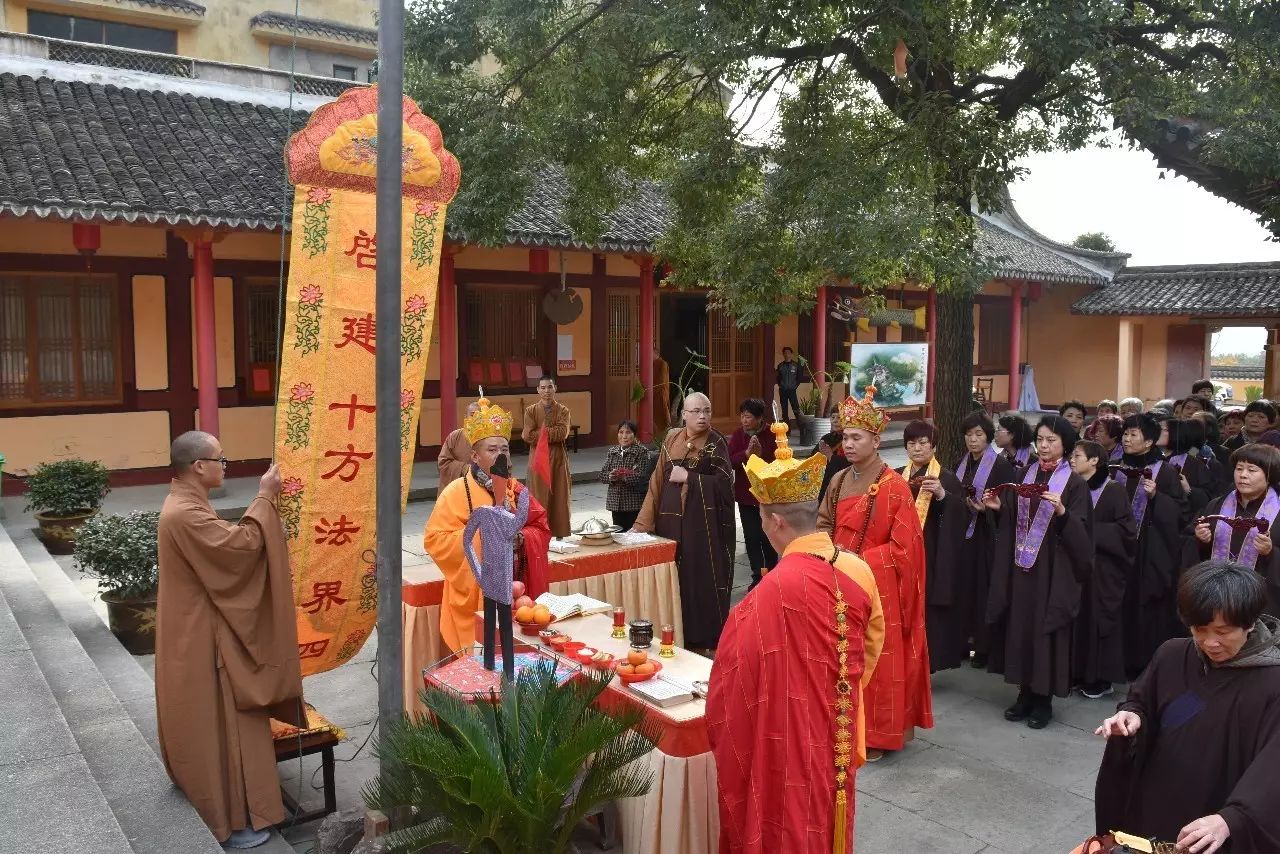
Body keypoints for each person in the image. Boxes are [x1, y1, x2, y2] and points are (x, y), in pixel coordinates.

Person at [708, 419, 883, 853]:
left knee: (787, 821)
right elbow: (871, 648)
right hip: (840, 728)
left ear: (774, 522)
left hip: (784, 733)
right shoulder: (858, 570)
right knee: (829, 814)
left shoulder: (764, 596)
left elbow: (729, 687)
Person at [156, 432, 302, 849]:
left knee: (225, 724)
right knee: (225, 725)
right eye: (222, 459)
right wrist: (264, 497)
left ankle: (241, 811)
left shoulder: (185, 503)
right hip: (202, 638)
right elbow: (240, 548)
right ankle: (232, 819)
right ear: (199, 466)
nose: (225, 466)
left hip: (197, 629)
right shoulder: (185, 513)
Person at [1094, 561, 1280, 853]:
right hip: (1155, 801)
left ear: (1250, 623)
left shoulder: (1273, 682)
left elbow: (1273, 768)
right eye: (1199, 629)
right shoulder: (1172, 654)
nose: (1210, 642)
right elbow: (1142, 701)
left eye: (1223, 631)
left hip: (1216, 818)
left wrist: (1232, 818)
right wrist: (1132, 715)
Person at [818, 386, 933, 759]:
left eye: (856, 437)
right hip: (837, 582)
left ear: (876, 440)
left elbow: (906, 551)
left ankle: (877, 735)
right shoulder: (837, 481)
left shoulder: (895, 487)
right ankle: (840, 726)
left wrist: (859, 560)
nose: (848, 444)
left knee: (875, 661)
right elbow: (823, 525)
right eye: (845, 437)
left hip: (875, 590)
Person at [983, 416, 1093, 729]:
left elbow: (1084, 537)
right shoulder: (1023, 474)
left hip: (1052, 572)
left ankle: (1043, 700)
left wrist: (1062, 513)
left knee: (1045, 631)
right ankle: (1024, 694)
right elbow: (1013, 517)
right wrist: (998, 508)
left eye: (1052, 441)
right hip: (1020, 569)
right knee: (1020, 628)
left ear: (1066, 446)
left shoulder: (1074, 485)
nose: (1044, 446)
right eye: (1040, 440)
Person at [425, 395, 552, 652]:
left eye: (504, 449)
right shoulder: (457, 492)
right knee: (481, 665)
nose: (499, 455)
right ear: (474, 456)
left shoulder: (514, 489)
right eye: (491, 450)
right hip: (475, 595)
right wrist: (483, 537)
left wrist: (521, 539)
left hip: (515, 592)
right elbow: (435, 540)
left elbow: (540, 526)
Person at [633, 391, 736, 651]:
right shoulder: (671, 438)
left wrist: (690, 477)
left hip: (700, 528)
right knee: (672, 578)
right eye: (696, 411)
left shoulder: (716, 443)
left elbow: (725, 486)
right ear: (684, 415)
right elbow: (656, 482)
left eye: (707, 410)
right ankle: (672, 630)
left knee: (696, 578)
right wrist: (642, 525)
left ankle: (701, 637)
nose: (703, 416)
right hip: (668, 523)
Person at [1116, 412, 1189, 678]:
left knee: (1143, 607)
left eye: (1133, 434)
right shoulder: (1115, 467)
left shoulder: (1165, 472)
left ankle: (1140, 662)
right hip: (1117, 549)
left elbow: (1181, 514)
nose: (1126, 438)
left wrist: (1157, 497)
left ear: (1148, 442)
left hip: (1149, 550)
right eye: (1125, 433)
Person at [898, 420, 969, 672]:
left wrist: (942, 496)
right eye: (911, 443)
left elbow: (962, 515)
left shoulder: (945, 478)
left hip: (932, 553)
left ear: (933, 446)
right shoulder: (896, 475)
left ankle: (925, 663)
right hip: (901, 552)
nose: (916, 448)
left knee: (926, 609)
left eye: (923, 443)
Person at [1070, 440, 1137, 700]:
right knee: (1078, 618)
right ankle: (1078, 672)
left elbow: (1126, 532)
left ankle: (1100, 679)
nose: (1072, 461)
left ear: (1095, 460)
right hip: (1078, 565)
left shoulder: (1113, 490)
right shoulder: (1073, 487)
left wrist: (1089, 531)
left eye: (1077, 456)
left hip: (1104, 569)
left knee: (1099, 621)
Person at [955, 411, 1018, 668]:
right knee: (965, 589)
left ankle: (983, 647)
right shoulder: (963, 462)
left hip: (988, 536)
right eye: (969, 435)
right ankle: (963, 641)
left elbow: (1010, 505)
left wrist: (988, 510)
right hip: (965, 536)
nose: (973, 440)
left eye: (979, 434)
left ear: (989, 437)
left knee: (984, 590)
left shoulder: (1001, 465)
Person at [1187, 444, 1280, 615]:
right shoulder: (1216, 505)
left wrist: (1270, 553)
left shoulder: (1278, 509)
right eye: (1239, 468)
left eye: (1252, 470)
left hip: (1264, 600)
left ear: (1269, 475)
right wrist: (1202, 541)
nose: (1243, 475)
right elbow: (1198, 555)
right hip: (1217, 597)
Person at [727, 398, 780, 588]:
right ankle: (757, 575)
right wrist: (746, 454)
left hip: (768, 495)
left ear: (759, 418)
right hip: (745, 496)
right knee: (751, 537)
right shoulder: (738, 436)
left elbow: (781, 461)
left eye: (748, 416)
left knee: (768, 536)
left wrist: (761, 453)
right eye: (742, 416)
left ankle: (773, 574)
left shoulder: (773, 434)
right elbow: (729, 461)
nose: (744, 420)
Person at [522, 374, 573, 538]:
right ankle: (539, 533)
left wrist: (541, 432)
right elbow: (527, 435)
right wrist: (550, 432)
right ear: (538, 390)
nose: (546, 391)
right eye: (543, 387)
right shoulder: (530, 411)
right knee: (538, 496)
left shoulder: (564, 411)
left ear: (555, 388)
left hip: (557, 458)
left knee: (559, 495)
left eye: (549, 387)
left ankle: (559, 532)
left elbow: (563, 433)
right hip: (537, 459)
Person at [597, 419, 653, 531]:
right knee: (618, 534)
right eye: (621, 432)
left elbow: (642, 477)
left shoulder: (641, 452)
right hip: (615, 503)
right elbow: (602, 474)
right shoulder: (612, 452)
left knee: (633, 536)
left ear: (634, 434)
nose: (624, 436)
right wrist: (610, 476)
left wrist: (623, 477)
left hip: (633, 504)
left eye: (628, 432)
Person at [437, 402, 481, 488]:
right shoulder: (455, 436)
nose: (476, 418)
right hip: (458, 487)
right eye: (472, 415)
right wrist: (467, 469)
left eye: (480, 416)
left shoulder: (489, 438)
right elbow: (443, 463)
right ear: (465, 417)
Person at [818, 430, 850, 503]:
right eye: (832, 417)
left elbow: (853, 465)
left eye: (839, 418)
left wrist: (831, 457)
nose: (835, 421)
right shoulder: (827, 438)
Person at [775, 346, 805, 422]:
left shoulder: (796, 365)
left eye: (788, 353)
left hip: (792, 390)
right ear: (783, 354)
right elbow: (778, 378)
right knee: (784, 410)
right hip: (783, 390)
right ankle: (787, 429)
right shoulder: (780, 366)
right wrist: (781, 385)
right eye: (785, 353)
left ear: (791, 354)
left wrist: (795, 386)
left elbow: (799, 377)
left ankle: (800, 426)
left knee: (796, 409)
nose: (787, 354)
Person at [653, 347, 671, 438]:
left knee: (662, 412)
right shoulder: (653, 363)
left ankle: (664, 434)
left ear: (656, 354)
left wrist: (654, 390)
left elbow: (662, 380)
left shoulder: (662, 364)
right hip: (653, 392)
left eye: (651, 354)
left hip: (660, 392)